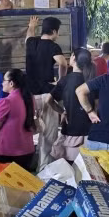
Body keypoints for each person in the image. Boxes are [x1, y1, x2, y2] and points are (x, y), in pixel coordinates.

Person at [26, 16, 68, 169]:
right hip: (46, 95)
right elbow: (63, 63)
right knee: (49, 134)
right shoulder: (52, 46)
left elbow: (29, 35)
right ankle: (44, 168)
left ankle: (32, 162)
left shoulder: (31, 43)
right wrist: (61, 81)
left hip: (30, 96)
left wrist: (32, 26)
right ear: (54, 31)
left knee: (32, 130)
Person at [50, 48, 96, 161]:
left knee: (69, 168)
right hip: (89, 132)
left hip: (71, 129)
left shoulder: (65, 80)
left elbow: (48, 100)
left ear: (74, 58)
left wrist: (62, 111)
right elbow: (97, 106)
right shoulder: (93, 80)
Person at [0, 69, 36, 171]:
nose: (2, 83)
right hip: (27, 148)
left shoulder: (6, 101)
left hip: (9, 151)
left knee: (9, 184)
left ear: (11, 83)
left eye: (4, 80)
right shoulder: (29, 98)